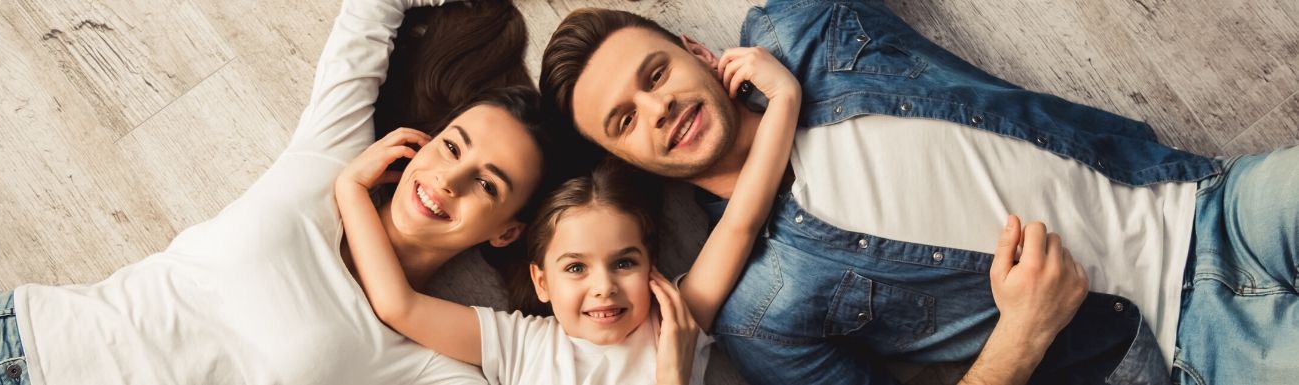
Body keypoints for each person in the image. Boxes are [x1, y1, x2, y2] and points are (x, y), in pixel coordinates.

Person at [538, 3, 1298, 385]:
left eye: (656, 74)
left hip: (1213, 200)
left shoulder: (803, 28)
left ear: (699, 52)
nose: (658, 108)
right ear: (624, 157)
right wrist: (1023, 333)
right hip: (1184, 347)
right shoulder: (760, 311)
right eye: (625, 120)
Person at [0, 0, 553, 384]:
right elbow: (368, 16)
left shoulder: (424, 358)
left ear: (506, 230)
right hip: (13, 340)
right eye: (453, 146)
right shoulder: (331, 157)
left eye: (485, 183)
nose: (448, 178)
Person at [335, 36, 804, 384]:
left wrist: (784, 100)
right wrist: (352, 188)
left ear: (651, 267)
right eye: (575, 267)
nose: (603, 288)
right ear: (542, 280)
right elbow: (398, 305)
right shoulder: (520, 344)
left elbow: (742, 219)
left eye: (624, 262)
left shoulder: (674, 319)